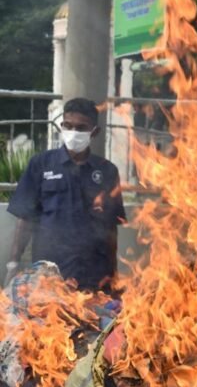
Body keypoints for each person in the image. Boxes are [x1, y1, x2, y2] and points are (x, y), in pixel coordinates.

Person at [4, 98, 126, 292]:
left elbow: (111, 227)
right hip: (51, 274)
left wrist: (114, 271)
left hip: (93, 275)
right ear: (61, 126)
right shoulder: (41, 164)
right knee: (51, 320)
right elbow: (25, 219)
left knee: (93, 321)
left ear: (94, 132)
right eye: (68, 126)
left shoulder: (107, 171)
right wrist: (13, 263)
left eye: (81, 128)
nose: (73, 133)